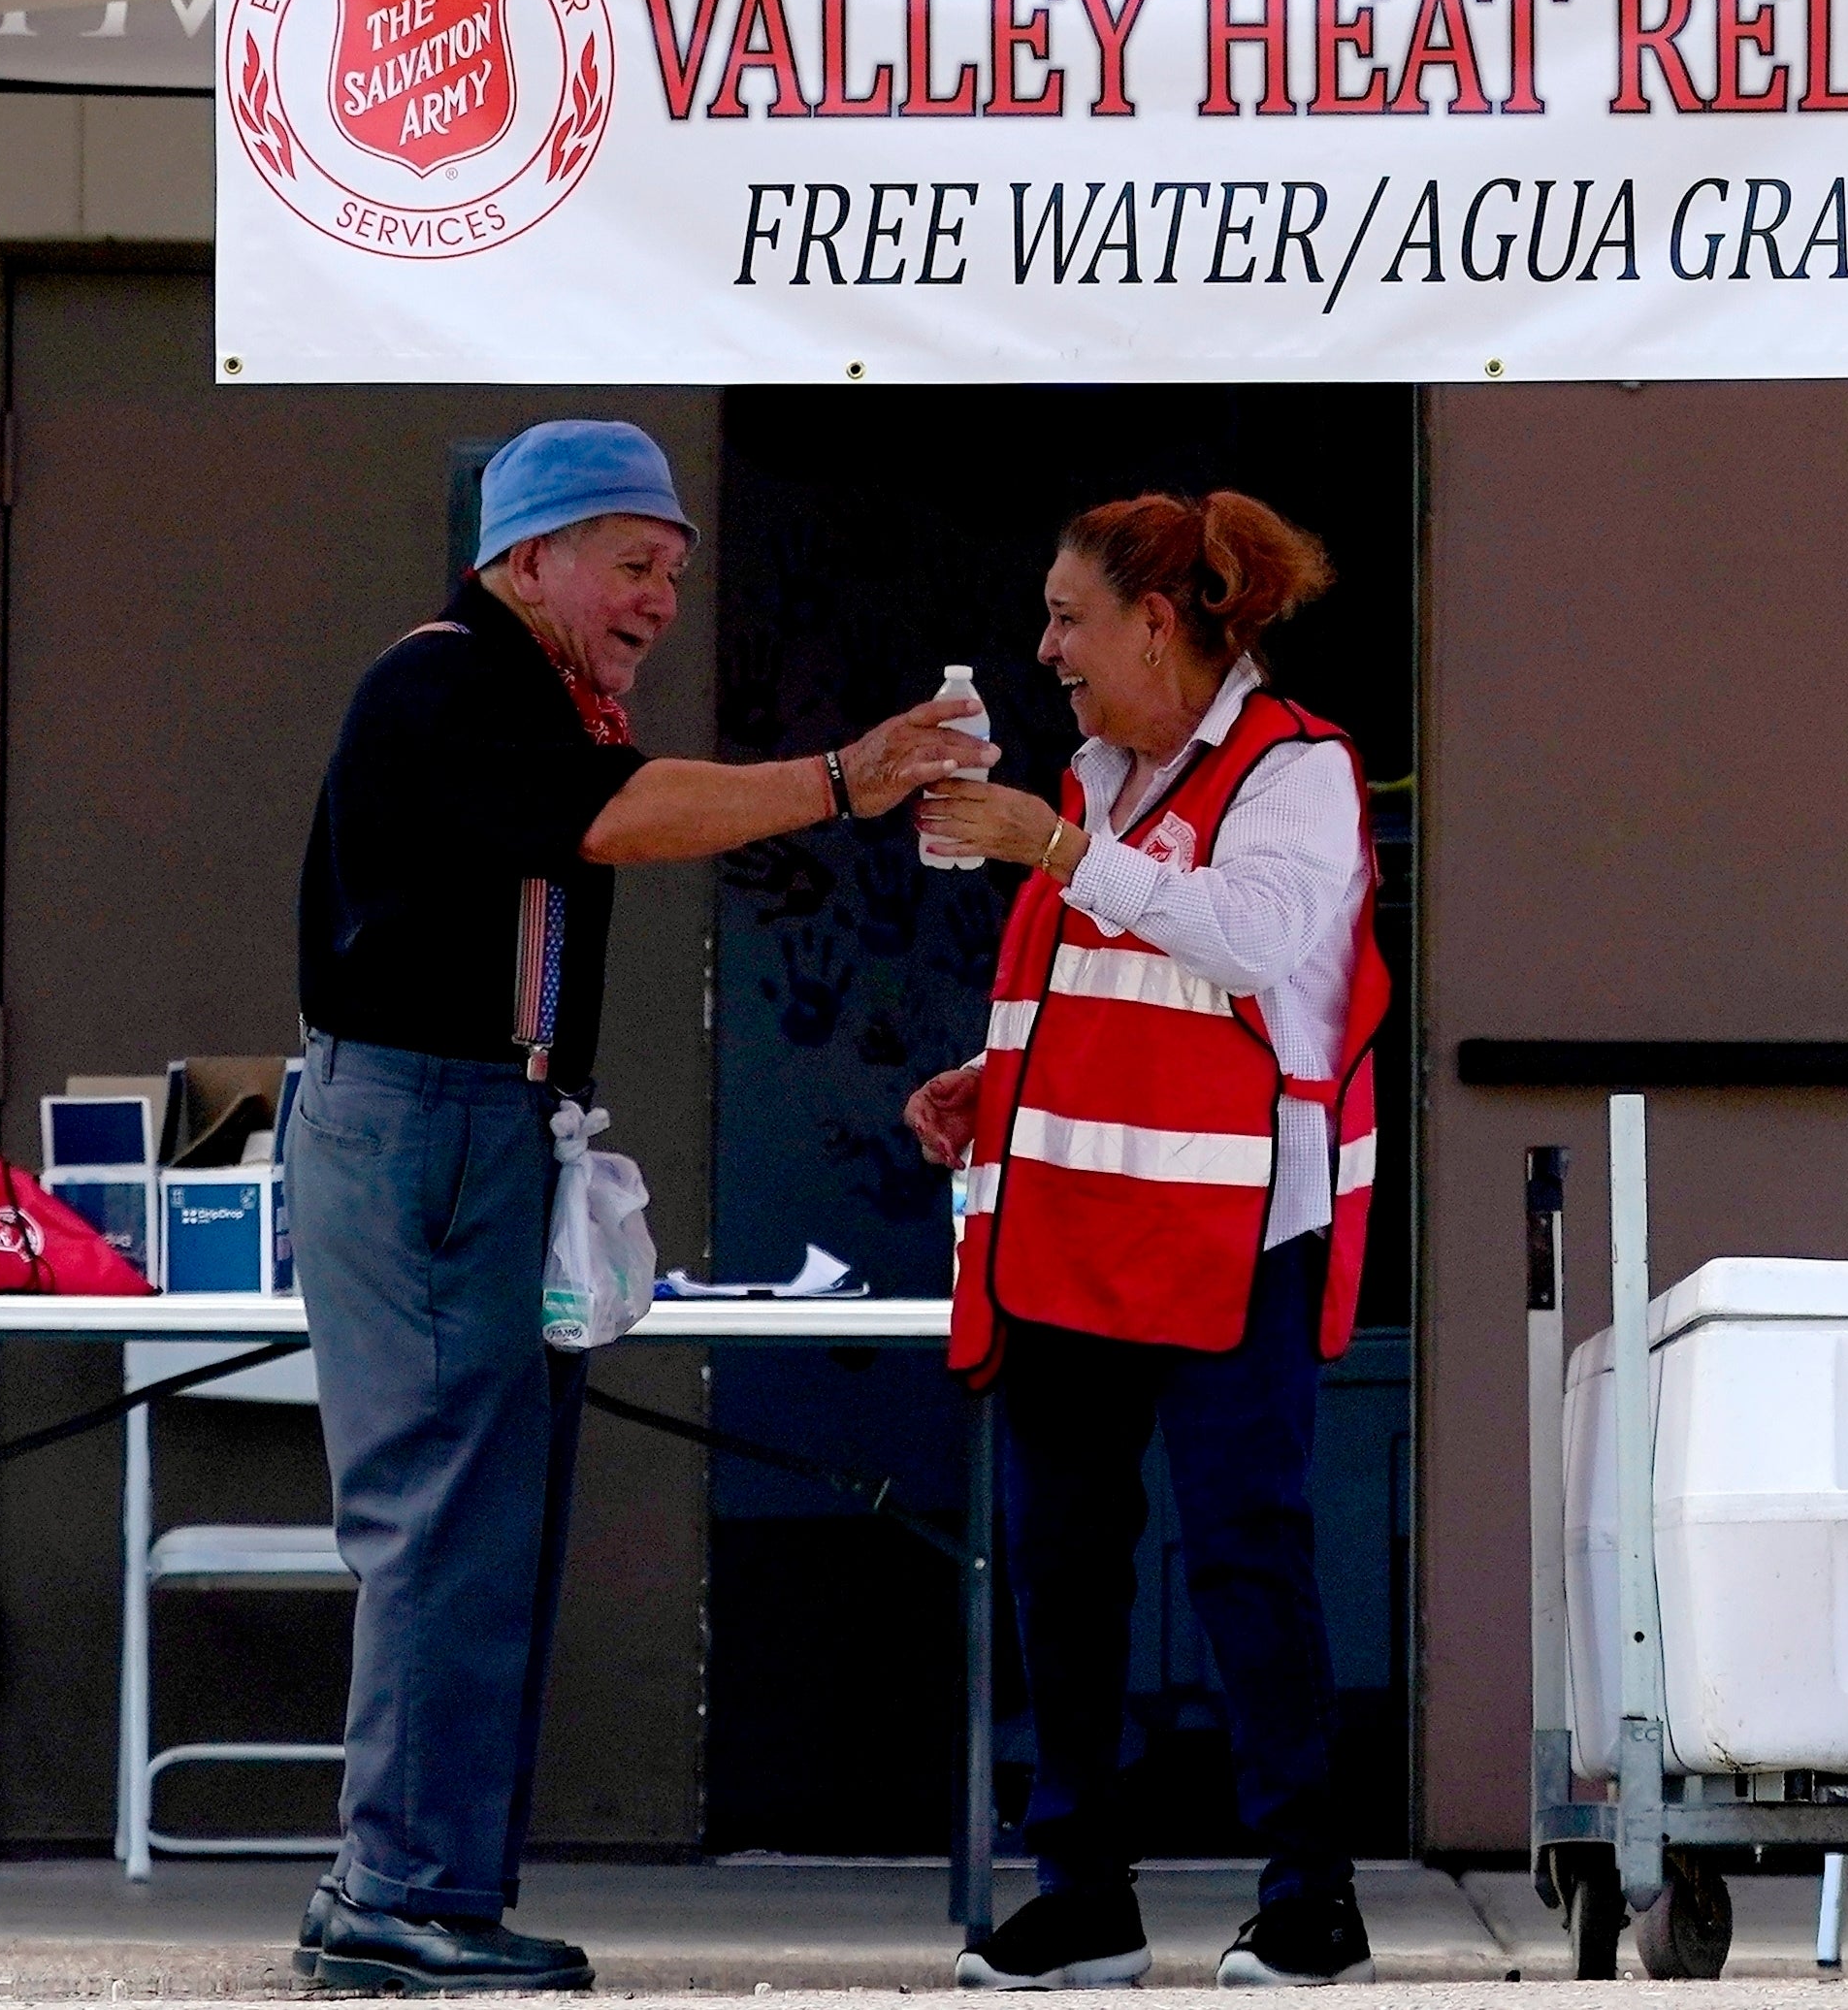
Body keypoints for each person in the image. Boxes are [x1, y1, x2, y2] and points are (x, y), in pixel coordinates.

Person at [288, 418, 993, 1994]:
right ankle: (397, 1888)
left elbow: (610, 800)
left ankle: (434, 1888)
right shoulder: (445, 680)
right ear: (526, 556)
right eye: (632, 561)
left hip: (479, 1127)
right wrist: (844, 777)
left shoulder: (523, 699)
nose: (660, 597)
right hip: (424, 1129)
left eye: (671, 570)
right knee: (446, 1521)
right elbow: (616, 818)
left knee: (489, 1530)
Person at [903, 491, 1389, 1992]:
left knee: (1246, 1550)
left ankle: (1309, 1893)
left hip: (1242, 1222)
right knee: (1065, 1561)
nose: (1044, 647)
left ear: (1157, 625)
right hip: (1080, 1210)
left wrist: (1056, 847)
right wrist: (1003, 1078)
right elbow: (1132, 988)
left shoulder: (1294, 770)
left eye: (1067, 617)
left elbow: (1246, 943)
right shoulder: (1097, 772)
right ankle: (1081, 1887)